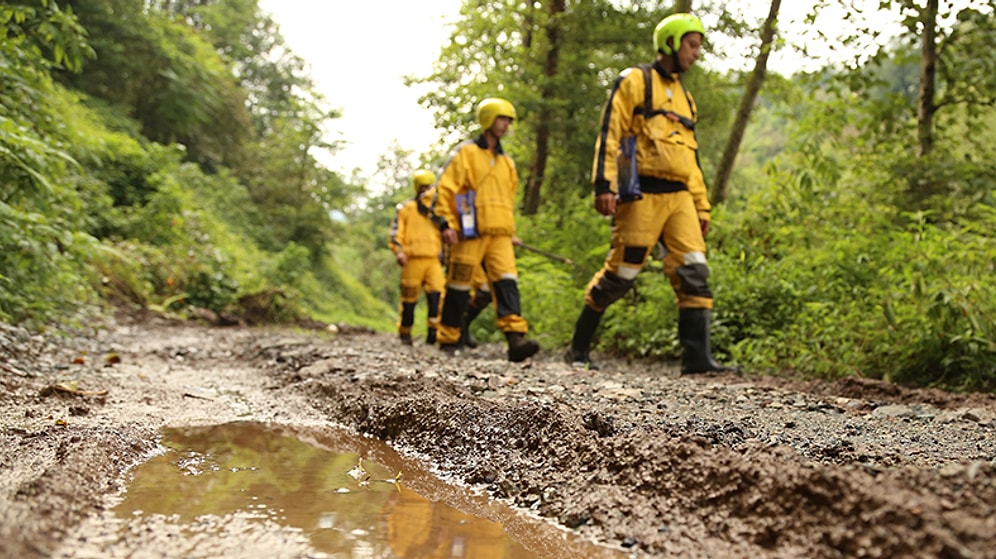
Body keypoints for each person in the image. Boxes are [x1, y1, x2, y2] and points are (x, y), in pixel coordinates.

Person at [566, 13, 738, 375]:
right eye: (692, 45)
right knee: (622, 274)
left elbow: (692, 159)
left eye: (699, 46)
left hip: (681, 200)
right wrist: (604, 184)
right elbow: (611, 131)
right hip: (640, 194)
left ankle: (697, 360)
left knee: (694, 269)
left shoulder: (686, 100)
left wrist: (702, 208)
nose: (696, 53)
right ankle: (578, 348)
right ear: (671, 44)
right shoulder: (635, 81)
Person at [432, 98, 540, 362]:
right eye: (502, 119)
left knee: (507, 283)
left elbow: (507, 200)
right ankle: (448, 339)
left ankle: (515, 339)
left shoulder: (507, 164)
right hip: (469, 233)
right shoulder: (465, 153)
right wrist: (445, 223)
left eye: (509, 121)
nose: (505, 125)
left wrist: (510, 230)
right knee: (458, 286)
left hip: (500, 235)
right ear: (488, 119)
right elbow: (445, 189)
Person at [388, 169, 445, 346]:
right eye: (423, 187)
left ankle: (433, 334)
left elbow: (446, 233)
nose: (426, 191)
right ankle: (405, 333)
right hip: (412, 259)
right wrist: (399, 252)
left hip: (433, 260)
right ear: (417, 188)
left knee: (437, 296)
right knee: (409, 299)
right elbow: (396, 234)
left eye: (429, 187)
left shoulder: (438, 211)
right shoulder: (405, 209)